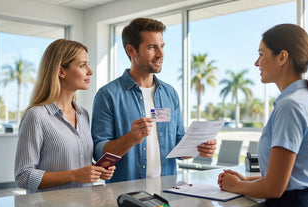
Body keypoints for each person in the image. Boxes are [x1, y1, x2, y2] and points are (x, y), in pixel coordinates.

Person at [217, 24, 308, 207]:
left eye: (261, 54)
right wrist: (246, 179)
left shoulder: (290, 106)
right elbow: (293, 175)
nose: (257, 63)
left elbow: (275, 187)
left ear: (282, 57)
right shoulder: (306, 99)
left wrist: (235, 186)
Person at [91, 17, 216, 183]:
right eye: (152, 47)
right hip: (125, 194)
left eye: (162, 46)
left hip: (167, 191)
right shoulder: (108, 95)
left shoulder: (170, 94)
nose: (160, 54)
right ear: (131, 50)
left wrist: (199, 148)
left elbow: (179, 145)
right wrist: (130, 138)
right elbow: (99, 153)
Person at [14, 39, 115, 193]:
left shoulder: (83, 115)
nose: (90, 71)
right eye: (82, 65)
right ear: (61, 71)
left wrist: (96, 170)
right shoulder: (36, 116)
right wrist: (74, 175)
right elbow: (23, 176)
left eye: (88, 64)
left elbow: (77, 165)